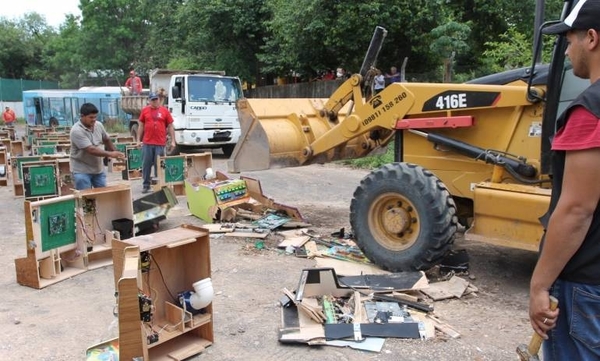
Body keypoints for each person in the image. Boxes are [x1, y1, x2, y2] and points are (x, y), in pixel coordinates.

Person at [529, 1, 600, 359]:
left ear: (591, 38)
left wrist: (539, 285)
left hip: (587, 286)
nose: (568, 49)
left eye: (570, 39)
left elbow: (576, 210)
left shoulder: (591, 109)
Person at [70, 103, 125, 190]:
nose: (94, 120)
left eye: (95, 117)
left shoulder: (98, 125)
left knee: (102, 198)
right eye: (91, 117)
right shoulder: (76, 131)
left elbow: (106, 139)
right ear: (82, 116)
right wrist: (111, 154)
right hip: (82, 171)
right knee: (86, 200)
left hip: (98, 170)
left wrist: (116, 152)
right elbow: (91, 149)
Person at [138, 92, 176, 193]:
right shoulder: (145, 111)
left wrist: (173, 141)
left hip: (160, 143)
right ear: (149, 101)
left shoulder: (165, 111)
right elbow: (141, 126)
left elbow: (171, 126)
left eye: (156, 99)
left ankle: (157, 186)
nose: (155, 101)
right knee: (146, 164)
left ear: (159, 99)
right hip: (147, 142)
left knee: (158, 165)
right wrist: (138, 140)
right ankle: (146, 185)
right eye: (153, 100)